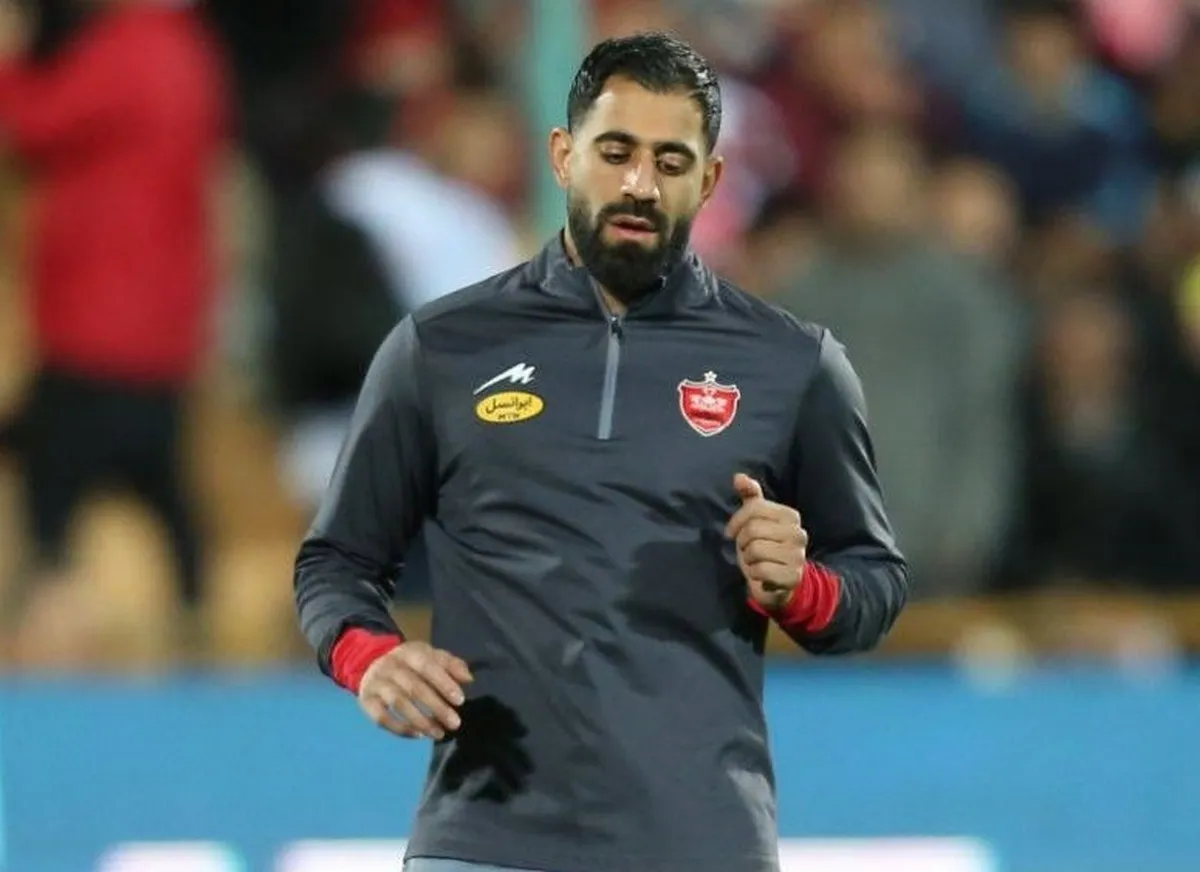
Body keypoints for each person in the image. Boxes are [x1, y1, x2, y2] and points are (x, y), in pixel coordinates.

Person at [294, 32, 909, 872]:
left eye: (670, 161)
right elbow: (335, 561)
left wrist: (801, 587)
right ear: (562, 155)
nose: (640, 184)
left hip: (700, 846)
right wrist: (371, 657)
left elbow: (875, 581)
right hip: (483, 842)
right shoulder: (442, 348)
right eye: (616, 152)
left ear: (710, 181)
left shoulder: (792, 364)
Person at [0, 0, 229, 659]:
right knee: (164, 494)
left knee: (52, 493)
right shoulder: (186, 50)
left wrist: (8, 56)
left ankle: (38, 636)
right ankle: (197, 632)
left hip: (98, 323)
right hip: (160, 326)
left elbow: (32, 122)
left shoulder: (131, 48)